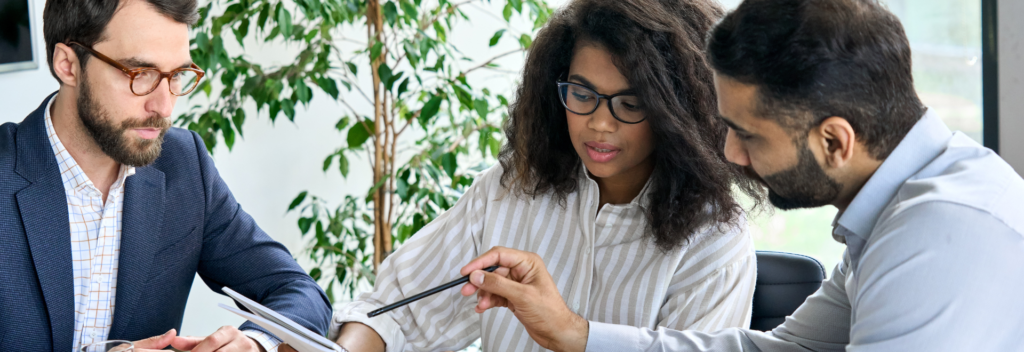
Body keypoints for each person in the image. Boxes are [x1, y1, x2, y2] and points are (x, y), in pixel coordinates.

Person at [458, 0, 1024, 350]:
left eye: (748, 134)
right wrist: (574, 335)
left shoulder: (941, 233)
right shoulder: (898, 214)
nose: (731, 154)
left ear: (834, 140)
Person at [329, 0, 764, 351]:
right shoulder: (511, 188)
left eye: (629, 104)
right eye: (581, 93)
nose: (599, 123)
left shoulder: (715, 240)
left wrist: (571, 332)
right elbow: (393, 312)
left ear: (677, 113)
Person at [0, 0, 331, 351]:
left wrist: (255, 343)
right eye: (139, 74)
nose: (164, 107)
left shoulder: (183, 163)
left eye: (176, 76)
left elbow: (300, 292)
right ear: (68, 65)